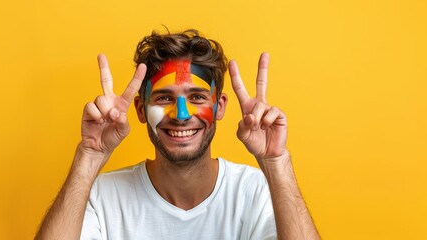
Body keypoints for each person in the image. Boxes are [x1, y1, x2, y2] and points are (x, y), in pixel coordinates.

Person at [35, 29, 320, 240]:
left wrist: (276, 162)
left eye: (196, 97)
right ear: (141, 109)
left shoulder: (256, 191)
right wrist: (90, 156)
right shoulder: (101, 196)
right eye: (163, 98)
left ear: (219, 107)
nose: (181, 114)